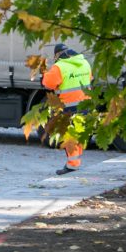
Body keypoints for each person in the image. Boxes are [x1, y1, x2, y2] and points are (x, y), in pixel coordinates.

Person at [41, 43, 92, 175]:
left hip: (69, 107)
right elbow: (90, 79)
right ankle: (75, 162)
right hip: (85, 104)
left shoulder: (59, 67)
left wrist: (45, 72)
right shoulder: (84, 63)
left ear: (57, 54)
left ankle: (72, 165)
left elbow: (48, 84)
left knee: (69, 136)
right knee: (79, 134)